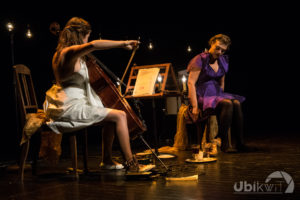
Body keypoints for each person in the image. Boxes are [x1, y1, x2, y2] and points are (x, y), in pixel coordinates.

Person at [43, 17, 141, 171]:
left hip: (70, 102)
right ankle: (132, 163)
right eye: (87, 36)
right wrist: (124, 43)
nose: (87, 39)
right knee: (120, 115)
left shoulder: (65, 54)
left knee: (111, 117)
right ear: (80, 35)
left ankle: (107, 160)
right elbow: (94, 45)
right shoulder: (67, 52)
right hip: (69, 106)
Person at [187, 34, 246, 153]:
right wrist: (194, 106)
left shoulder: (223, 61)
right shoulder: (200, 59)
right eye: (217, 48)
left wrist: (219, 97)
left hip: (216, 94)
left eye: (223, 50)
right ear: (211, 44)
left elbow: (222, 83)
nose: (219, 52)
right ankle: (222, 140)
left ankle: (240, 143)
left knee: (236, 103)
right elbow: (190, 83)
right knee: (228, 104)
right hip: (202, 94)